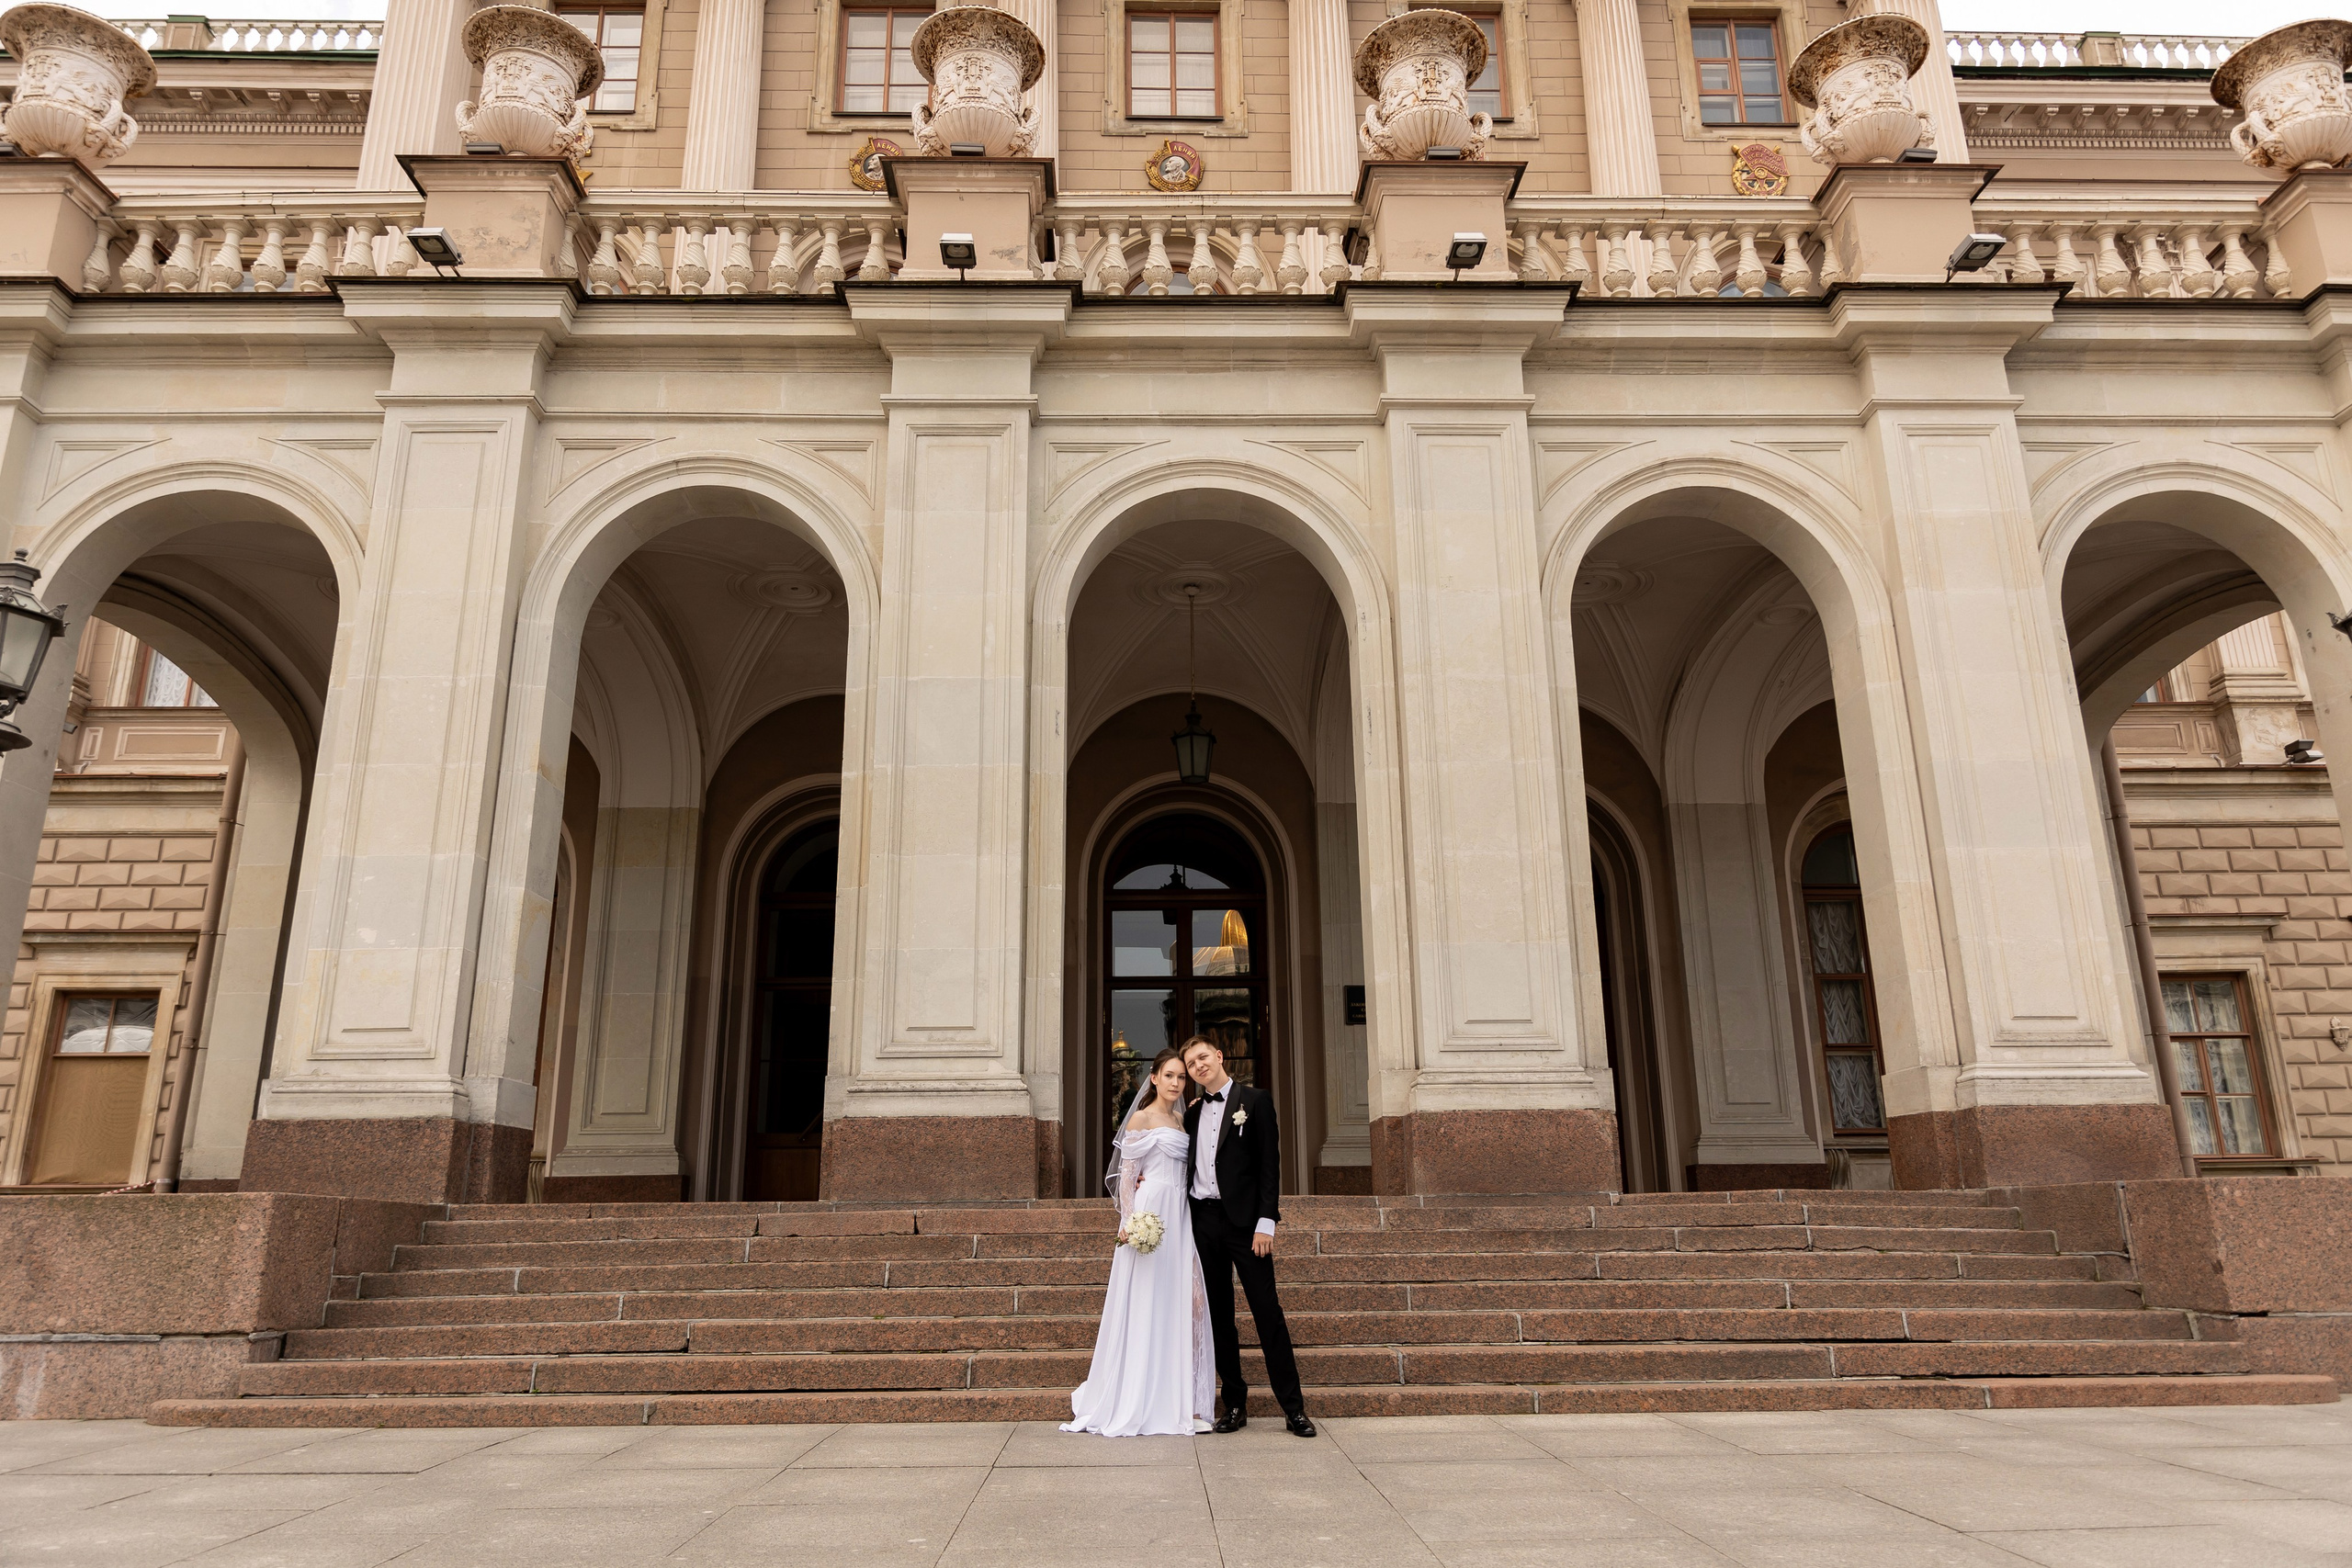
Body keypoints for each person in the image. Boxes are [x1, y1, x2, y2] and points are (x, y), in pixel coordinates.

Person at [1061, 1046, 1216, 1437]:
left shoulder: (1184, 1119)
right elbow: (1128, 1177)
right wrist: (1131, 1223)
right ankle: (1141, 1396)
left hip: (1181, 1217)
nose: (1176, 1083)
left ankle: (1186, 1398)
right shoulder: (1141, 1121)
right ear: (1154, 1078)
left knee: (1192, 1301)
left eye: (1181, 1077)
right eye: (1169, 1076)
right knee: (1148, 1301)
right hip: (1151, 1215)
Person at [1182, 1033, 1315, 1438]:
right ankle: (1234, 1405)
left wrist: (1266, 1221)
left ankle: (1294, 1409)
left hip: (1246, 1227)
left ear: (1219, 1056)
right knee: (1220, 1318)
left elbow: (1268, 1166)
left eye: (1203, 1057)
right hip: (1203, 1222)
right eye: (1191, 1064)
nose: (1198, 1066)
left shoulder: (1255, 1101)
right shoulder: (1190, 1113)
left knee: (1267, 1314)